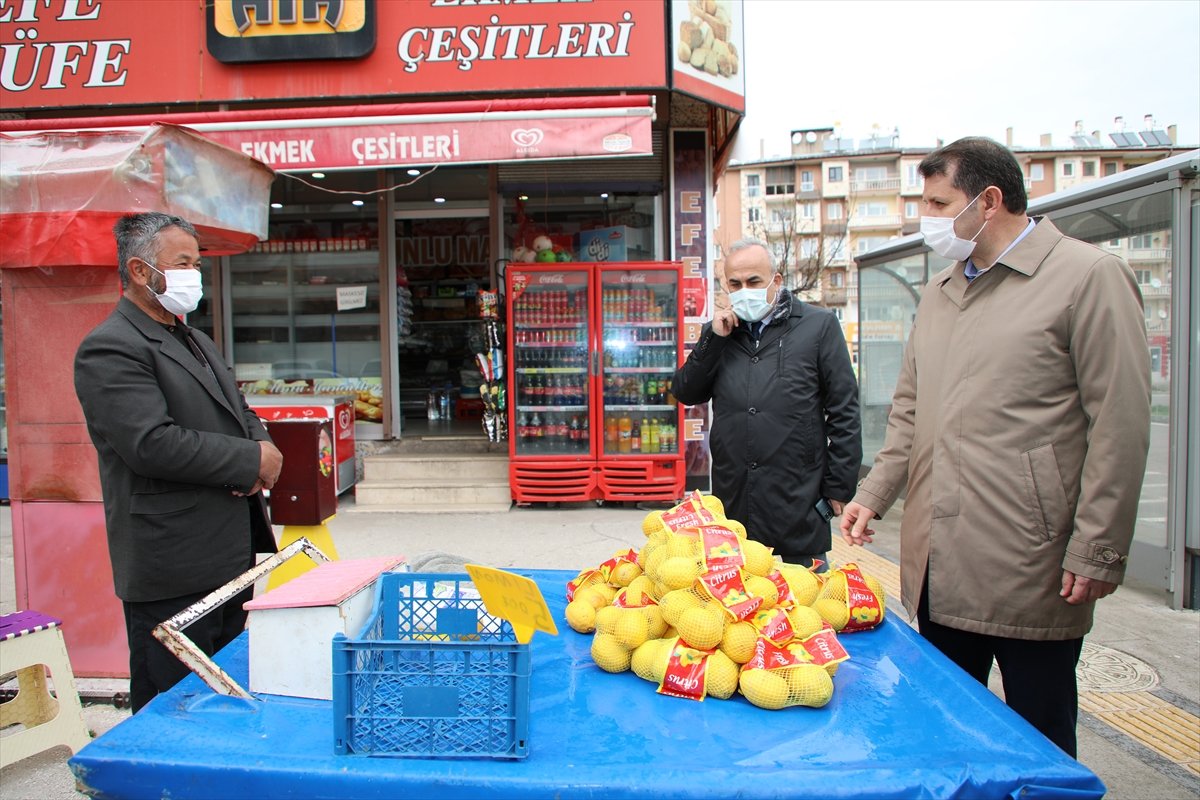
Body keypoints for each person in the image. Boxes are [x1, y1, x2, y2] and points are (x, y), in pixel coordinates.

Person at [840, 137, 1150, 757]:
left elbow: (1120, 422)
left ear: (988, 200)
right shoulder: (940, 293)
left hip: (1031, 564)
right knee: (944, 735)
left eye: (938, 202)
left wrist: (1097, 549)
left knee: (1038, 737)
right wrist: (873, 494)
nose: (926, 218)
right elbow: (910, 409)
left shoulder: (1086, 276)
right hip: (937, 563)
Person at [75, 212, 283, 712]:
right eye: (182, 262)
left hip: (228, 552)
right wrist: (248, 459)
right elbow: (150, 443)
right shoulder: (111, 347)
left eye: (197, 263)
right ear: (141, 271)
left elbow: (239, 408)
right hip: (171, 561)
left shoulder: (193, 337)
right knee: (173, 699)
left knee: (224, 686)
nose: (195, 274)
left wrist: (263, 448)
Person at [672, 237, 861, 570]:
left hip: (799, 498)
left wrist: (838, 487)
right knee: (739, 608)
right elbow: (687, 391)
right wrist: (713, 338)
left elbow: (844, 410)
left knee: (805, 607)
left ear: (776, 281)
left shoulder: (818, 326)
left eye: (753, 281)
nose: (744, 289)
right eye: (735, 283)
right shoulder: (720, 333)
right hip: (735, 498)